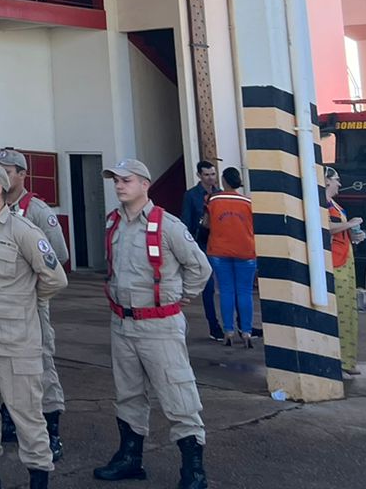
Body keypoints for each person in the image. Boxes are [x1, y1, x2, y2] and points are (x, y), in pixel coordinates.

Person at [94, 158, 212, 489]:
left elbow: (200, 268)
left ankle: (194, 470)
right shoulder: (113, 223)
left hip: (159, 326)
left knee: (178, 395)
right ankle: (130, 458)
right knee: (128, 394)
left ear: (145, 184)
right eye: (115, 180)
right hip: (122, 323)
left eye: (126, 180)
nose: (119, 185)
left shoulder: (168, 224)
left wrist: (181, 297)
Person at [0, 160, 68, 489]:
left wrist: (22, 305)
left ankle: (38, 479)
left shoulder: (22, 231)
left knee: (27, 416)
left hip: (13, 342)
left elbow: (54, 278)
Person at [0, 146, 69, 460]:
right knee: (2, 365)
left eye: (8, 171)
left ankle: (51, 430)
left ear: (22, 175)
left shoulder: (37, 210)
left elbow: (58, 257)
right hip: (0, 305)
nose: (2, 176)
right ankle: (10, 418)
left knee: (41, 365)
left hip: (31, 303)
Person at [205, 167, 257, 348]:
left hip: (219, 250)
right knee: (245, 292)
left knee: (226, 291)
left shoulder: (213, 200)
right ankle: (247, 331)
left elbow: (206, 223)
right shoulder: (248, 202)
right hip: (246, 251)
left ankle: (228, 331)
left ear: (224, 180)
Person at [179, 159, 224, 341]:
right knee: (209, 288)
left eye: (213, 174)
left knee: (229, 287)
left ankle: (238, 323)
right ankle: (214, 325)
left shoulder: (220, 194)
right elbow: (186, 222)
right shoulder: (191, 196)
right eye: (206, 175)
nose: (210, 178)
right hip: (202, 244)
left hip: (221, 243)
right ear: (199, 175)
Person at [326, 168, 362, 375]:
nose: (339, 184)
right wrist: (349, 224)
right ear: (326, 181)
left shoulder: (336, 206)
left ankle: (347, 361)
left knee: (348, 311)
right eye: (336, 180)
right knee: (339, 310)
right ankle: (339, 359)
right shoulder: (322, 205)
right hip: (336, 260)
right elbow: (327, 227)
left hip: (345, 257)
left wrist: (354, 233)